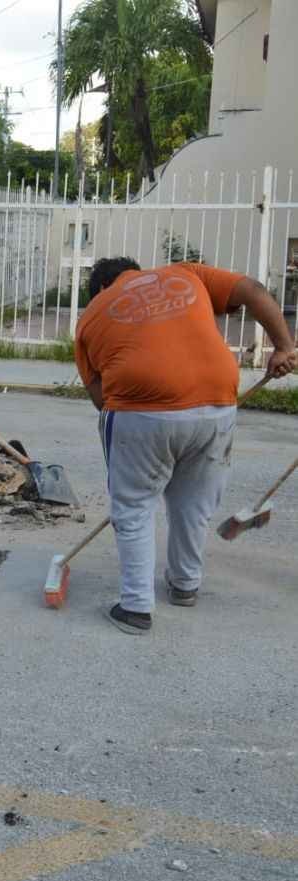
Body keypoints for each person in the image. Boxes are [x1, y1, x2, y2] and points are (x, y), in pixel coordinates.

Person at [75, 257, 297, 635]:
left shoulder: (92, 314)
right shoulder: (185, 274)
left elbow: (102, 399)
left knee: (134, 505)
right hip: (216, 402)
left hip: (140, 410)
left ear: (99, 288)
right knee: (193, 502)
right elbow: (252, 290)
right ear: (140, 271)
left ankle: (135, 608)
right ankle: (184, 585)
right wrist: (283, 346)